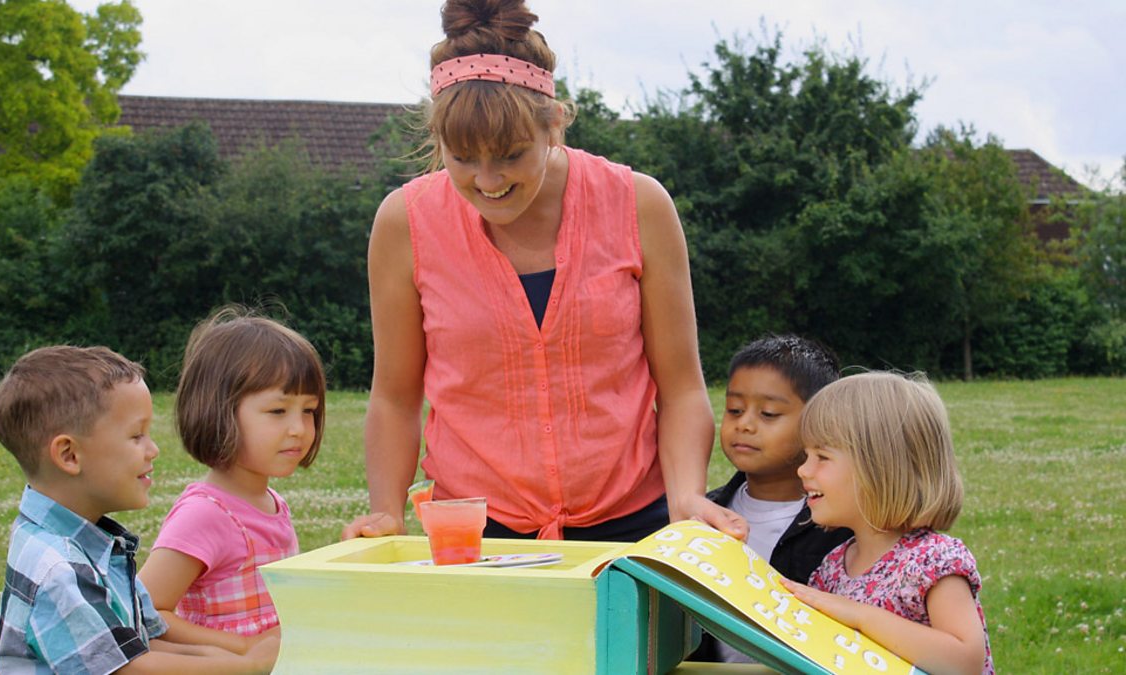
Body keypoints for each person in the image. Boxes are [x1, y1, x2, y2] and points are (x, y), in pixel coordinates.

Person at [342, 0, 746, 544]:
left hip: (635, 523)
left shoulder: (639, 205)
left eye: (510, 154)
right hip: (475, 531)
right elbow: (394, 395)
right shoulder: (403, 223)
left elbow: (680, 389)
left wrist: (688, 497)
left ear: (554, 123)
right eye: (462, 158)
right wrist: (386, 510)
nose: (487, 181)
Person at [0, 345, 276, 674]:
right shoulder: (58, 567)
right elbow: (130, 669)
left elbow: (143, 643)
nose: (152, 449)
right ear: (69, 455)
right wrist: (250, 666)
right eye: (136, 435)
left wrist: (243, 654)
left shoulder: (89, 546)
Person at [138, 309, 325, 652]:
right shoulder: (205, 515)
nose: (299, 429)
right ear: (219, 411)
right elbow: (146, 613)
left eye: (309, 411)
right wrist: (244, 648)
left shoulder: (272, 504)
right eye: (278, 411)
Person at [784, 372, 994, 674]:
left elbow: (965, 661)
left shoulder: (932, 561)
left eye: (822, 456)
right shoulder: (832, 567)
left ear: (880, 468)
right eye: (806, 455)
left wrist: (860, 617)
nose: (804, 470)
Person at [693, 335, 853, 663]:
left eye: (768, 414)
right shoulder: (704, 516)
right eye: (735, 410)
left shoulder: (842, 527)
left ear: (819, 422)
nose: (745, 425)